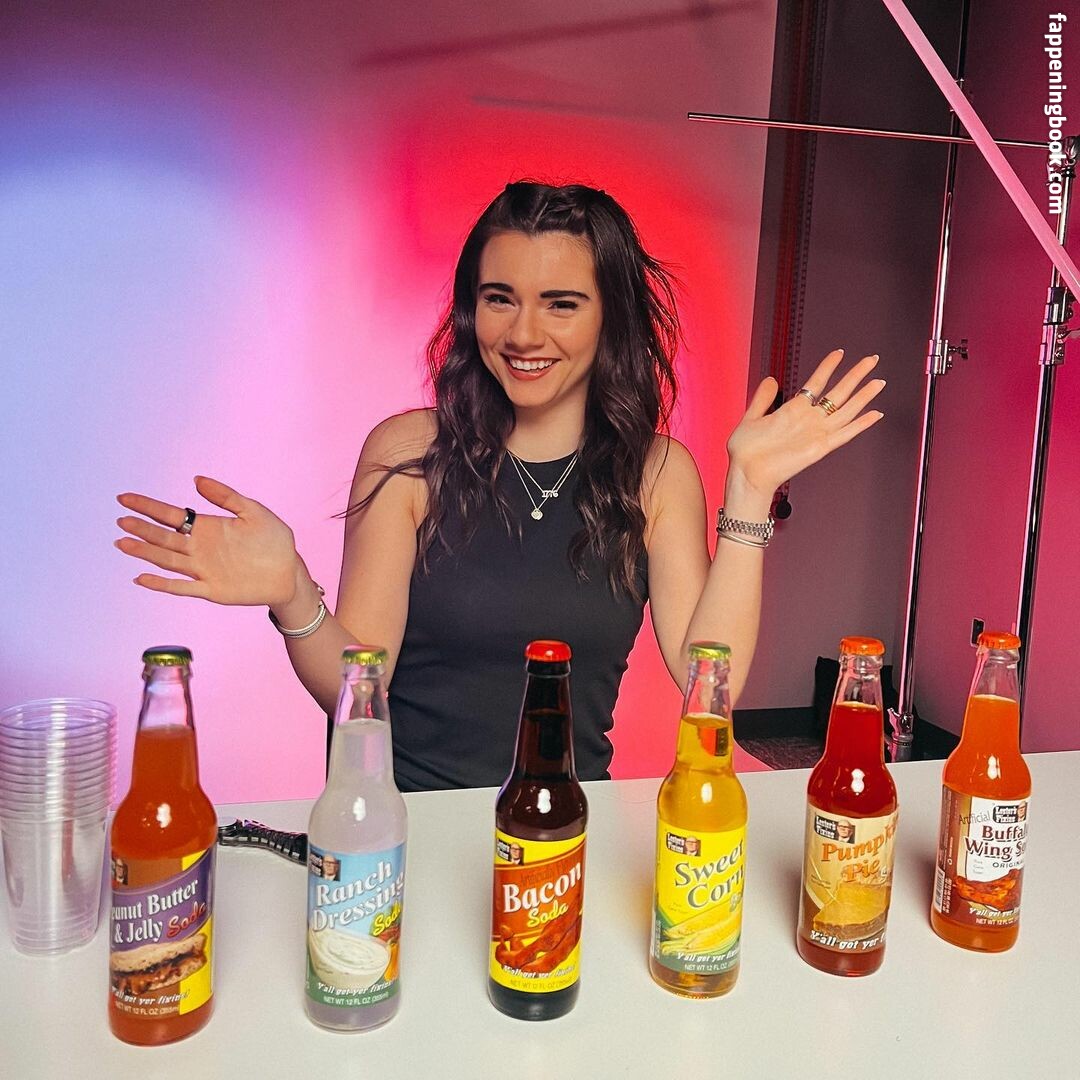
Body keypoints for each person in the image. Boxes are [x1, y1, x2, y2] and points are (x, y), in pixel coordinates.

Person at [115, 181, 884, 791]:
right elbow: (358, 691)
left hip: (564, 835)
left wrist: (748, 492)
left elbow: (706, 687)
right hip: (406, 832)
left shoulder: (655, 474)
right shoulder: (409, 454)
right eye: (499, 298)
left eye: (561, 304)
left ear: (609, 318)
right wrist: (293, 593)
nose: (523, 334)